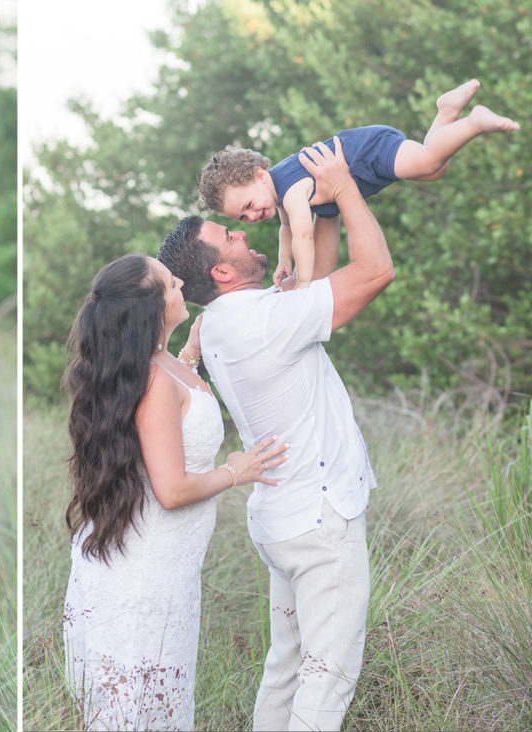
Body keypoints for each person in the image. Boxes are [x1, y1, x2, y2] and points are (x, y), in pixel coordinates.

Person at [158, 136, 394, 730]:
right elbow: (375, 272)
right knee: (328, 675)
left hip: (282, 522)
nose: (243, 233)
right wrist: (344, 189)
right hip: (319, 520)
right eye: (230, 237)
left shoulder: (221, 324)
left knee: (286, 668)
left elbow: (323, 276)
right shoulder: (265, 321)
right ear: (221, 271)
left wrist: (326, 204)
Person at [62, 254, 288, 730]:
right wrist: (234, 470)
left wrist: (191, 351)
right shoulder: (151, 379)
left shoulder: (156, 363)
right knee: (136, 708)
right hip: (145, 573)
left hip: (161, 564)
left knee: (154, 703)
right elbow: (171, 489)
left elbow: (170, 409)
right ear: (150, 308)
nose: (180, 281)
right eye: (169, 283)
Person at [198, 79, 519, 288]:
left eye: (249, 206)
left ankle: (474, 121)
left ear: (259, 175)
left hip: (366, 151)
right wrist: (284, 261)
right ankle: (446, 112)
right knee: (433, 168)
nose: (252, 216)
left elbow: (304, 234)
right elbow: (287, 230)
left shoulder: (291, 190)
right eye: (243, 217)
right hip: (359, 168)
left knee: (428, 161)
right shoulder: (277, 193)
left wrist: (305, 281)